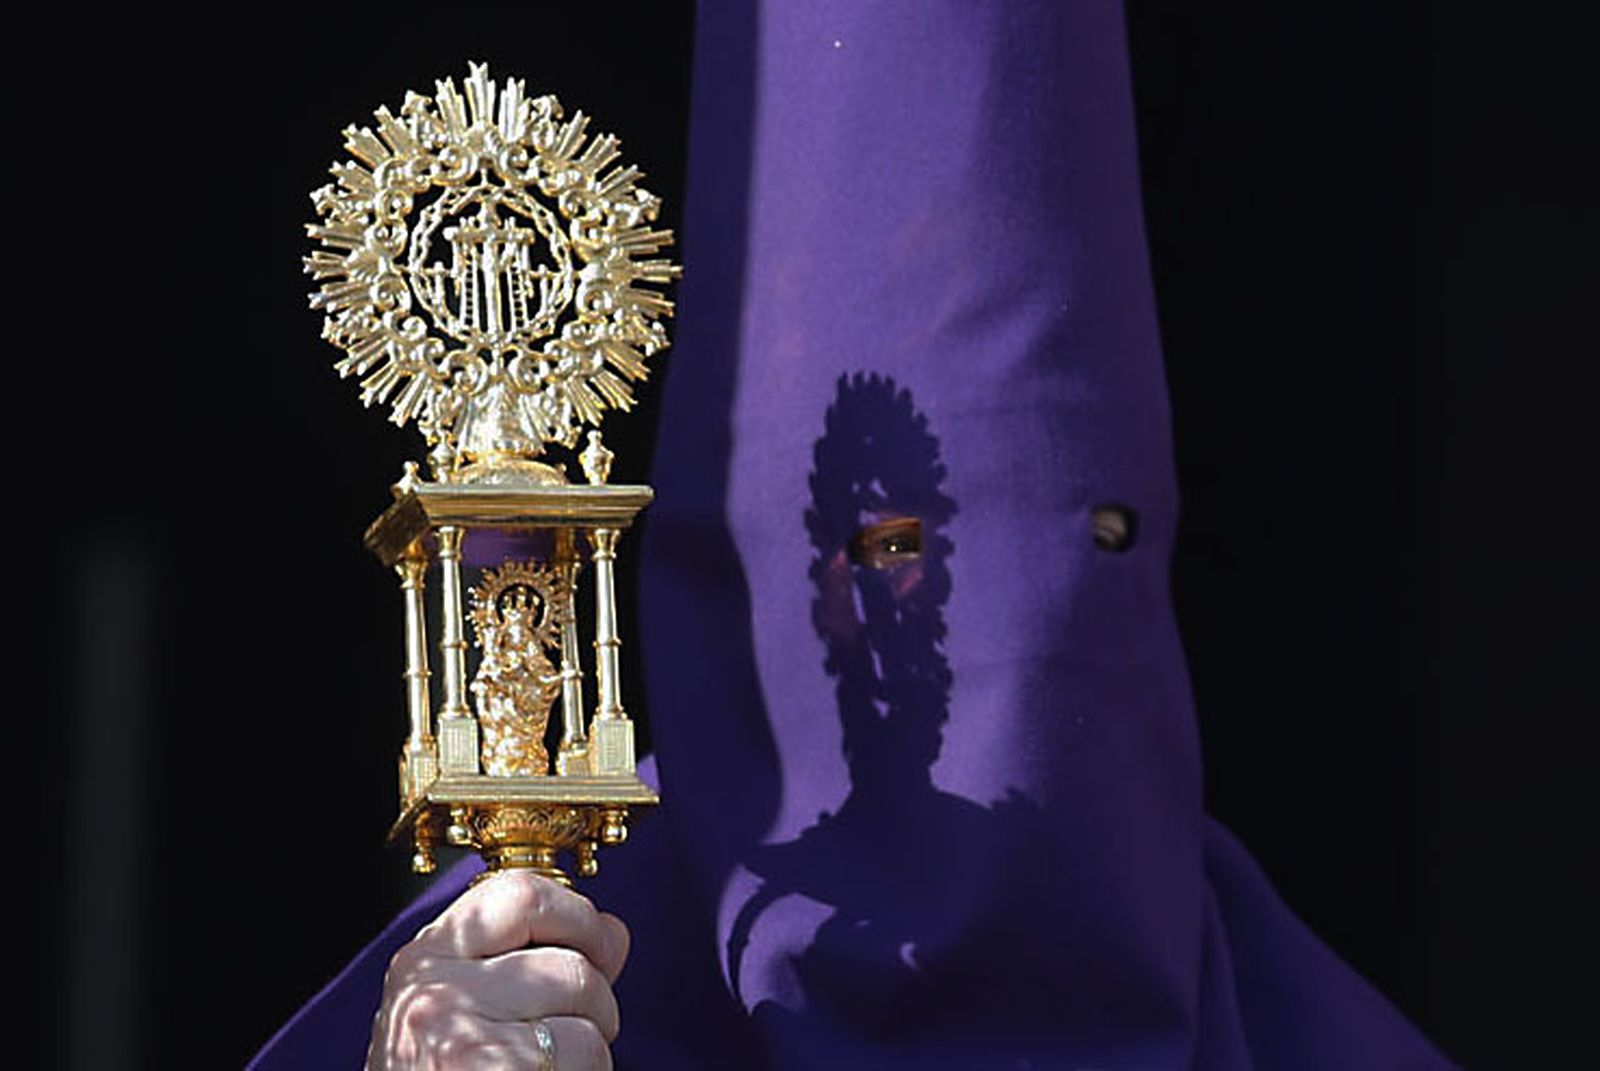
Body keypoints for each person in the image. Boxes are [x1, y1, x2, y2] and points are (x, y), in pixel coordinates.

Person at [253, 3, 1455, 1067]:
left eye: (1095, 540)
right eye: (893, 548)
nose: (1016, 625)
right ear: (751, 592)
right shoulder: (513, 993)